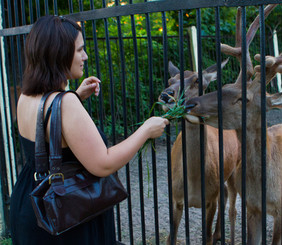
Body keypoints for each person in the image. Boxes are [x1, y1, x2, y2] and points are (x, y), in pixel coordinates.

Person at [10, 15, 169, 245]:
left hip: (32, 205)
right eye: (79, 50)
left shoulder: (26, 96)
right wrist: (145, 130)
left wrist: (75, 95)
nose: (85, 56)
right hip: (67, 214)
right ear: (59, 53)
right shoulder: (65, 104)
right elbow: (103, 163)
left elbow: (46, 128)